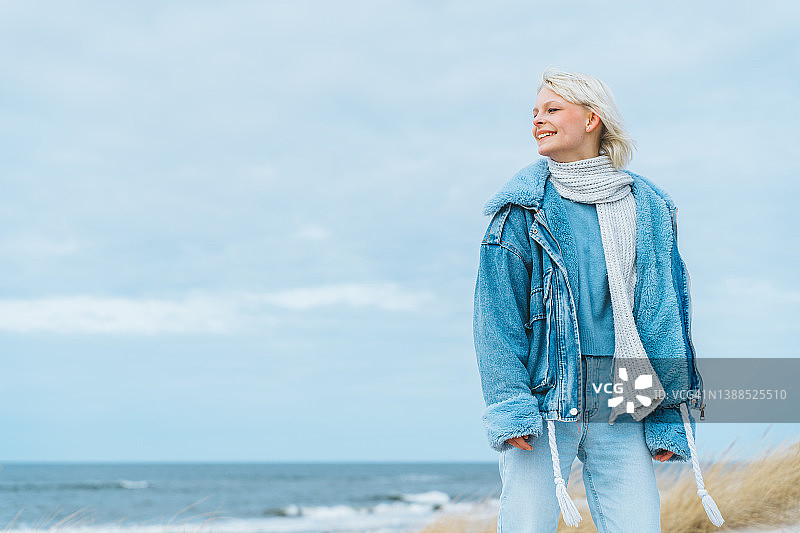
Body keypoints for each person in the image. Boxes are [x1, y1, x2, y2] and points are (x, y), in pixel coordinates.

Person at [472, 68, 724, 532]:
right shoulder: (519, 210)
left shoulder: (647, 206)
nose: (537, 121)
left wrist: (669, 413)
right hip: (546, 399)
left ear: (592, 119)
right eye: (534, 113)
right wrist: (510, 406)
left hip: (625, 394)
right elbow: (496, 319)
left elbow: (664, 315)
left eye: (552, 109)